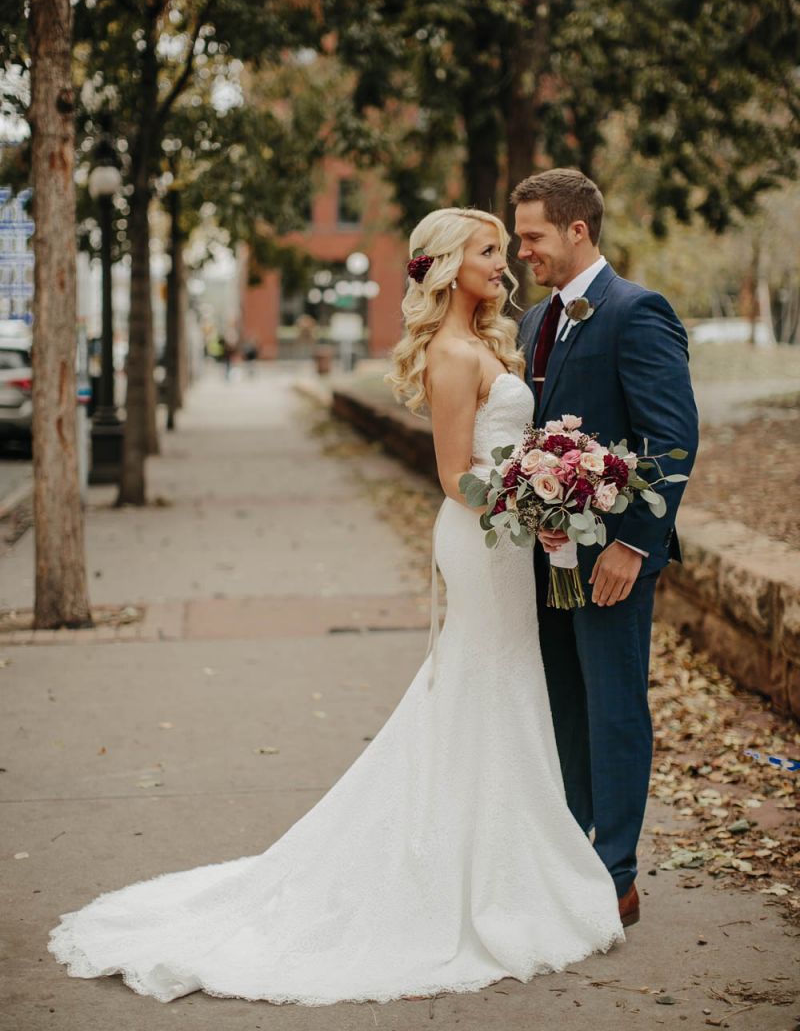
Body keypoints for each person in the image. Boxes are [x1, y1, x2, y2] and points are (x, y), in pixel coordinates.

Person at [48, 207, 624, 1006]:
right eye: (491, 251)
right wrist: (534, 497)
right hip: (483, 538)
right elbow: (453, 473)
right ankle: (481, 879)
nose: (505, 263)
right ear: (452, 264)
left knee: (500, 687)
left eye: (504, 250)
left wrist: (552, 481)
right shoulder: (454, 355)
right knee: (482, 684)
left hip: (509, 541)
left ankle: (505, 860)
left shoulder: (495, 339)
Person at [514, 169, 699, 928]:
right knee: (564, 707)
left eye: (533, 236)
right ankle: (571, 857)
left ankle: (615, 876)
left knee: (615, 708)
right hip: (548, 557)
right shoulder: (533, 322)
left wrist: (630, 544)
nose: (525, 250)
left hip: (613, 564)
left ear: (577, 231)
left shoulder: (636, 311)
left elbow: (673, 437)